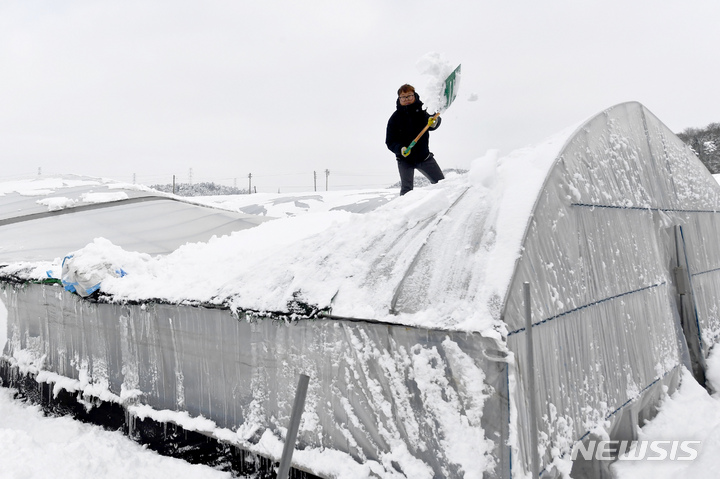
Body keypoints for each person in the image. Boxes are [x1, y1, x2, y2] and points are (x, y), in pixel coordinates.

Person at [385, 84, 445, 195]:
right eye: (403, 97)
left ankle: (443, 206)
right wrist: (400, 149)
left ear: (414, 95)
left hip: (424, 157)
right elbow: (390, 141)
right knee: (406, 191)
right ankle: (404, 211)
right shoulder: (395, 118)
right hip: (404, 160)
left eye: (409, 96)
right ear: (399, 98)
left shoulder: (423, 110)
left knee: (441, 183)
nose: (406, 99)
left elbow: (433, 119)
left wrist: (434, 122)